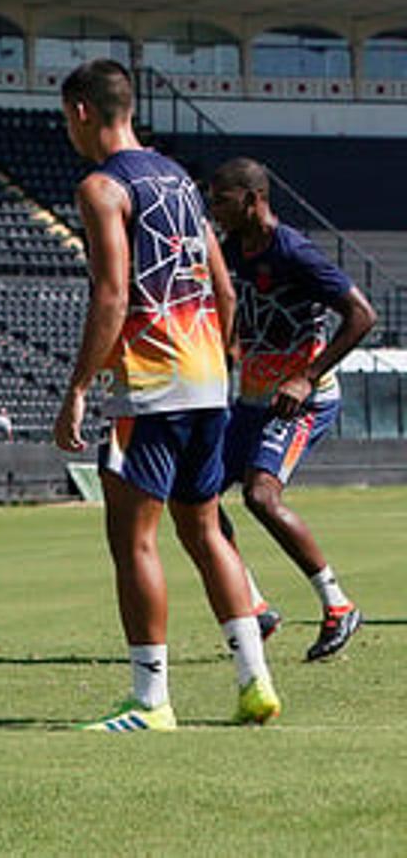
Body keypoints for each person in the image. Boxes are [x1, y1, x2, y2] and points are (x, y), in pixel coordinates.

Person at [52, 59, 278, 732]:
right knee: (206, 533)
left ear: (83, 113)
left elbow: (113, 293)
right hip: (209, 380)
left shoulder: (101, 187)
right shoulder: (179, 179)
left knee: (135, 542)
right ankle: (254, 683)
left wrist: (79, 387)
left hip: (150, 387)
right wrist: (221, 360)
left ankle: (150, 701)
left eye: (67, 117)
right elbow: (226, 288)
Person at [207, 157, 375, 661]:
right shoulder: (232, 250)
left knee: (261, 495)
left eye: (222, 199)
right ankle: (255, 608)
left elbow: (363, 316)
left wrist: (305, 376)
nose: (214, 208)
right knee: (196, 497)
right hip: (254, 399)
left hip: (304, 398)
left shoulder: (295, 251)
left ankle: (338, 606)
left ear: (253, 200)